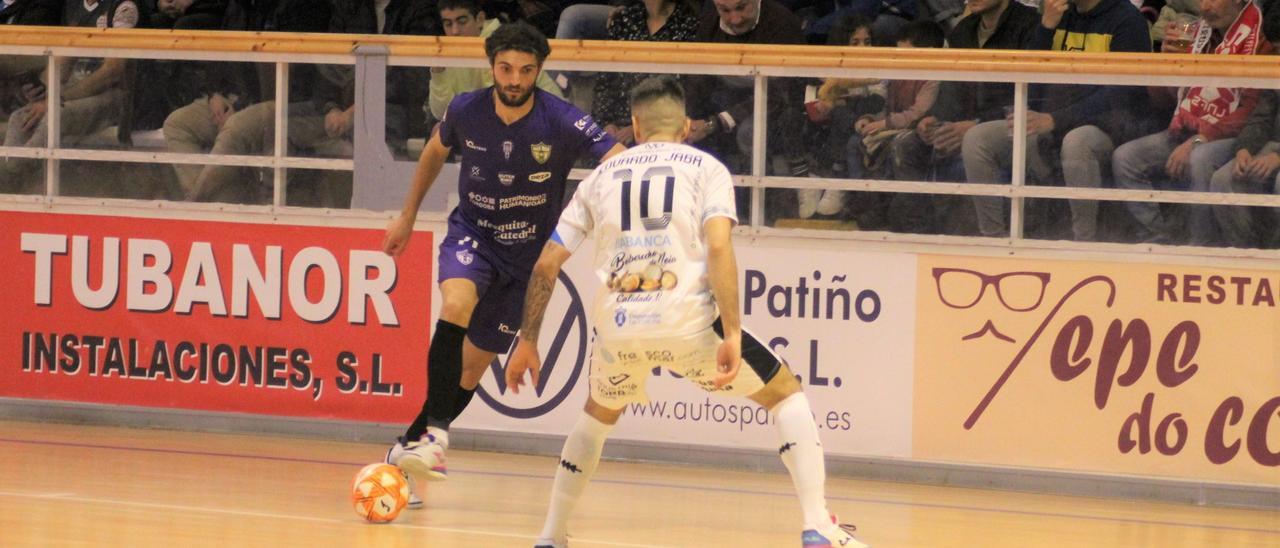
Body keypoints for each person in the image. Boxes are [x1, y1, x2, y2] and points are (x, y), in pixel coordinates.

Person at [505, 76, 868, 548]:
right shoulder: (706, 167)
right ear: (685, 125)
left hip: (618, 329)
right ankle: (817, 524)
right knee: (785, 393)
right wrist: (732, 332)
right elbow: (719, 247)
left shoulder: (598, 178)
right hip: (687, 322)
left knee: (596, 416)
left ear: (634, 126)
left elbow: (547, 264)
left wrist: (528, 339)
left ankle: (551, 535)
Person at [381, 21, 625, 507]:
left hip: (527, 261)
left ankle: (403, 451)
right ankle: (435, 438)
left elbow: (618, 158)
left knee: (469, 373)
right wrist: (408, 215)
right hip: (473, 234)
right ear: (491, 67)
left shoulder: (561, 119)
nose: (514, 80)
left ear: (539, 71)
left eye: (526, 71)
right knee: (455, 303)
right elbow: (433, 151)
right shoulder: (466, 109)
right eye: (505, 69)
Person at [960, 0, 1152, 240]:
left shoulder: (1126, 19)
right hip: (1052, 121)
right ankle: (993, 236)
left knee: (1077, 141)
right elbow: (1029, 78)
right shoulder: (1058, 16)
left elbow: (1121, 94)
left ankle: (1084, 241)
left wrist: (1055, 119)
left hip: (1108, 125)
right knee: (979, 138)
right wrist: (1046, 28)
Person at [1113, 0, 1271, 245]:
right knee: (1125, 158)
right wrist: (1165, 64)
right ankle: (1160, 238)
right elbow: (1161, 102)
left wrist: (1198, 139)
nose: (1205, 7)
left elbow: (1250, 113)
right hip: (1183, 129)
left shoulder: (1260, 41)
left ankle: (1200, 244)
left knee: (1200, 157)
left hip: (1231, 137)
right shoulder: (1197, 35)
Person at [427, 0, 563, 128]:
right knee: (439, 130)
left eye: (462, 22)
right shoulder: (446, 49)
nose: (455, 31)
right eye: (448, 24)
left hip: (541, 120)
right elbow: (441, 113)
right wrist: (439, 74)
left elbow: (500, 109)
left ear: (480, 19)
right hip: (484, 125)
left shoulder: (504, 42)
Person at [1209, 7, 1280, 248]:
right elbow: (1262, 114)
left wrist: (1277, 157)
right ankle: (1244, 253)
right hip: (1272, 145)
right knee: (1222, 180)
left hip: (1276, 152)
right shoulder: (1275, 65)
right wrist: (1244, 148)